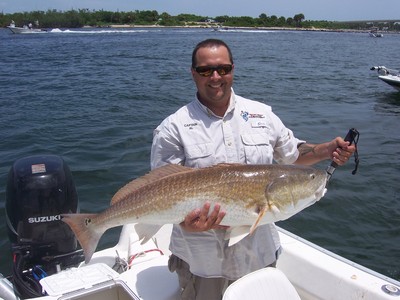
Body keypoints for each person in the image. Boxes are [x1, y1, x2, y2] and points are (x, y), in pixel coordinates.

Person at [150, 38, 355, 300]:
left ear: (233, 69)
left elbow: (291, 155)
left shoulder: (261, 114)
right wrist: (186, 224)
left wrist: (325, 150)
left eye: (223, 69)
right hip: (202, 262)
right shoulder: (173, 127)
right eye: (205, 70)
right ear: (193, 73)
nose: (216, 77)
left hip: (258, 256)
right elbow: (160, 189)